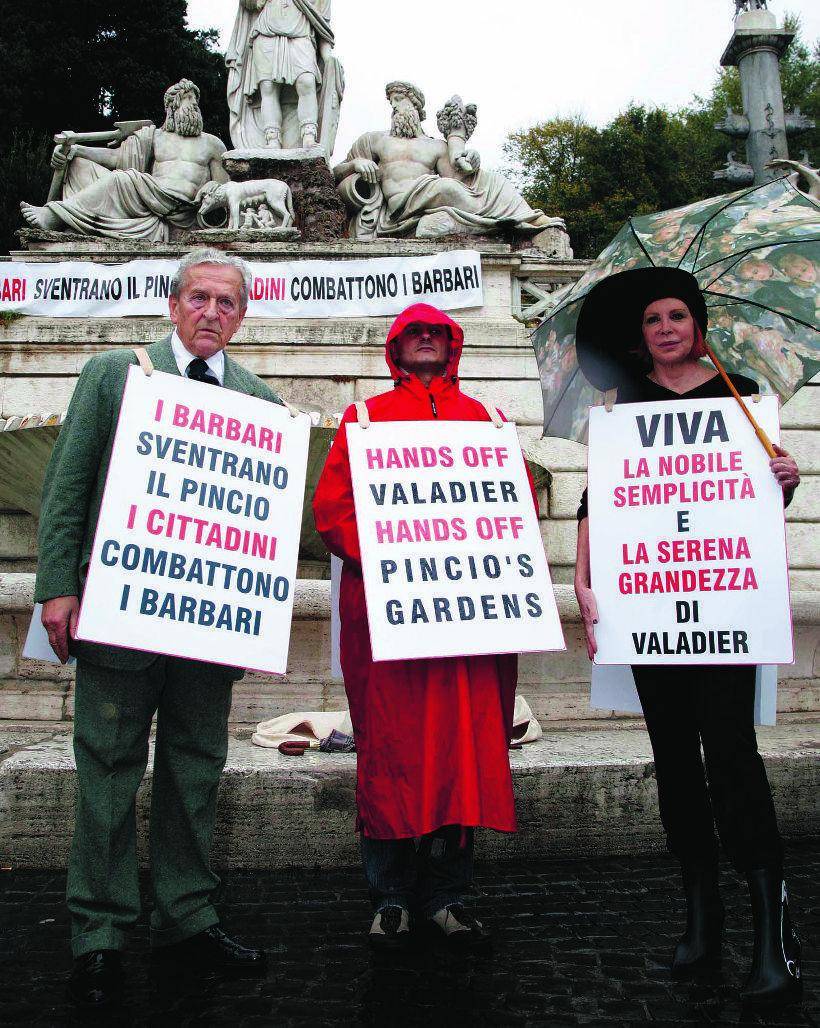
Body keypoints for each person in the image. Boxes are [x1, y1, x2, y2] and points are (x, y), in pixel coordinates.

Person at [35, 249, 279, 1008]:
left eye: (227, 303)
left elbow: (259, 521)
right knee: (106, 775)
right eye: (199, 298)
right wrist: (56, 588)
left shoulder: (259, 399)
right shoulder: (115, 375)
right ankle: (100, 933)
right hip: (118, 621)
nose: (212, 312)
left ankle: (187, 916)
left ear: (243, 315)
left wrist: (260, 617)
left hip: (207, 633)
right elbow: (68, 484)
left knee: (196, 770)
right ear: (174, 305)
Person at [572, 267, 803, 1006]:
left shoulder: (736, 391)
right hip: (650, 609)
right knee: (673, 758)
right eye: (652, 320)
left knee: (731, 754)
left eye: (677, 315)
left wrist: (787, 475)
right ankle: (701, 912)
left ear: (698, 324)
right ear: (641, 337)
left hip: (725, 611)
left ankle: (773, 929)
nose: (665, 327)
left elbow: (761, 489)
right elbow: (596, 498)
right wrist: (582, 580)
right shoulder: (620, 401)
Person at [313, 303, 536, 950]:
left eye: (437, 332)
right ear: (395, 347)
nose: (427, 340)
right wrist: (405, 559)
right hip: (389, 624)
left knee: (459, 757)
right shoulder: (364, 417)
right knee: (390, 756)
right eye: (415, 332)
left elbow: (513, 509)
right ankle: (388, 897)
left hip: (467, 625)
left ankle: (448, 896)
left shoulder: (489, 421)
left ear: (453, 344)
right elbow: (334, 513)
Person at [21, 80, 227, 241]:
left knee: (122, 179)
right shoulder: (154, 136)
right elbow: (115, 158)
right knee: (79, 164)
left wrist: (211, 186)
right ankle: (68, 220)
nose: (194, 104)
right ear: (172, 106)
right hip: (148, 198)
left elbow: (225, 189)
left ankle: (53, 215)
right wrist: (76, 150)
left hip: (182, 207)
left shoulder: (212, 143)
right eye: (188, 98)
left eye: (195, 100)